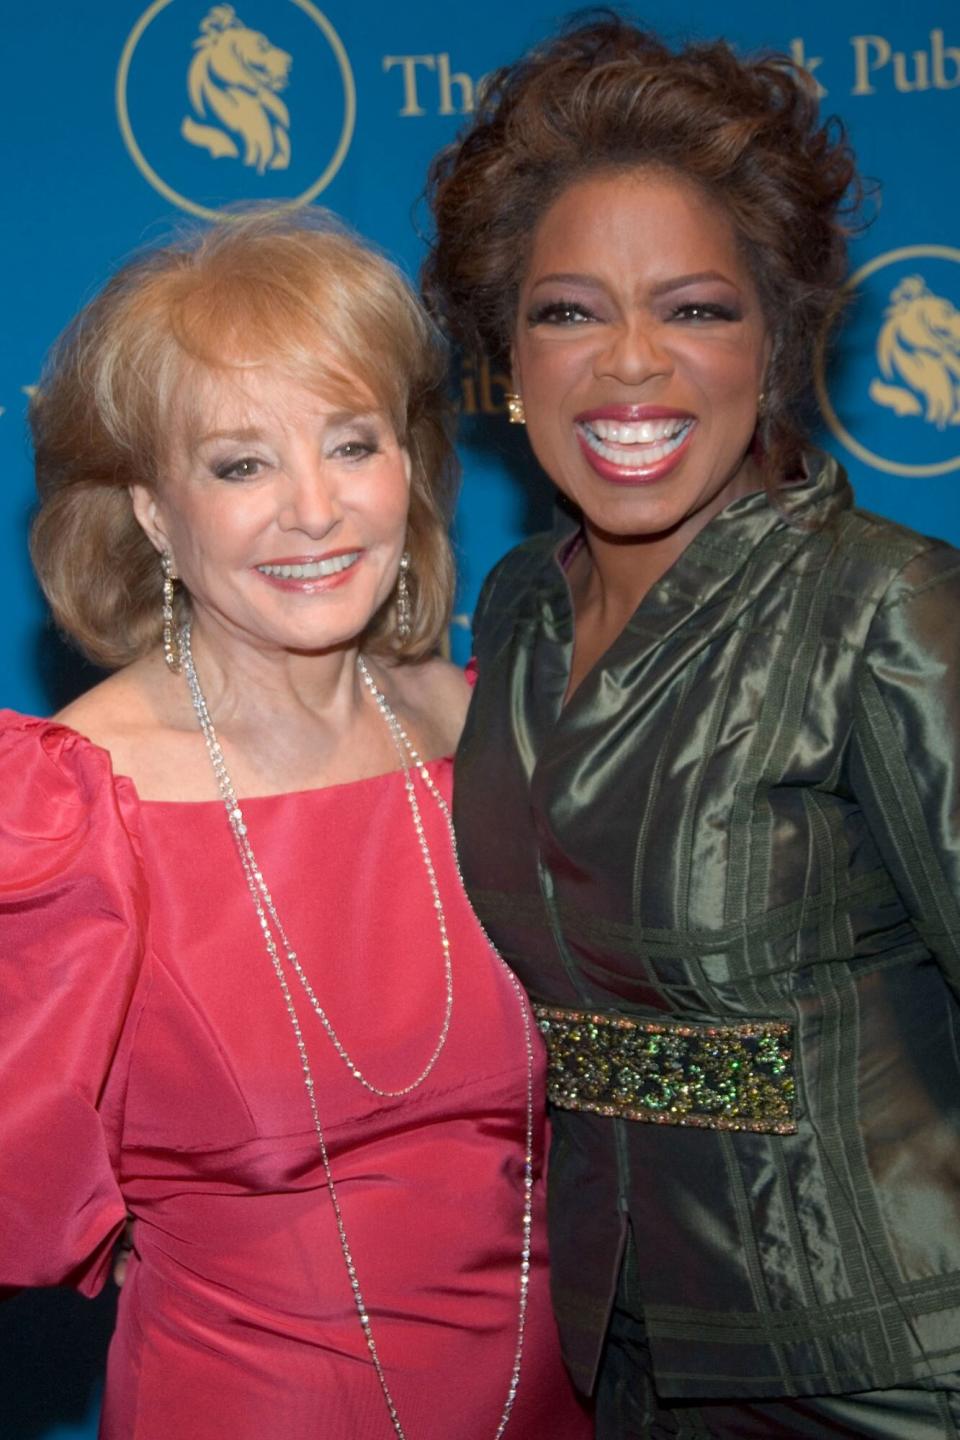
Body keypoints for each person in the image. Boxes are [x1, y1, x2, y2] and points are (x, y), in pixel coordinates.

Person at [424, 16, 960, 1437]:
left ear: (777, 339)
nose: (632, 364)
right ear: (507, 353)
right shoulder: (521, 613)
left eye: (697, 307)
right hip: (625, 1362)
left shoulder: (883, 608)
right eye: (570, 310)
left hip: (887, 1367)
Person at [0, 211, 592, 1440]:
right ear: (155, 515)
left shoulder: (506, 735)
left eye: (351, 443)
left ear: (412, 466)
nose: (315, 510)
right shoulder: (61, 809)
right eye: (239, 464)